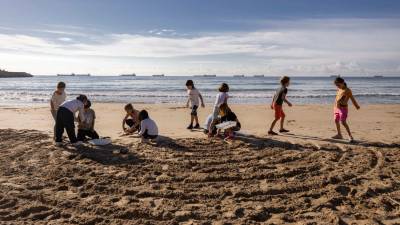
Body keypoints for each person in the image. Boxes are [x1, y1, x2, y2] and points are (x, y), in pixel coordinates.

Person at [332, 77, 360, 142]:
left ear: (342, 83)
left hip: (343, 108)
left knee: (343, 122)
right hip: (336, 108)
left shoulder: (347, 90)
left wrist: (356, 106)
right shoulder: (339, 89)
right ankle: (339, 135)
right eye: (336, 85)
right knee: (336, 120)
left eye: (338, 85)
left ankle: (350, 136)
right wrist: (335, 106)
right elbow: (337, 98)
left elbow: (352, 98)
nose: (337, 86)